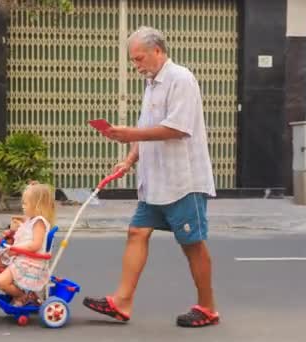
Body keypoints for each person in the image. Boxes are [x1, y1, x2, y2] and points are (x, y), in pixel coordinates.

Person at [82, 26, 220, 328]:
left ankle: (208, 307)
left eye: (139, 58)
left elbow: (178, 128)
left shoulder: (180, 79)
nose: (136, 66)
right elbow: (147, 127)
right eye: (133, 60)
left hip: (183, 181)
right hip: (155, 181)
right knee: (136, 232)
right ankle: (122, 301)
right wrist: (129, 159)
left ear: (158, 50)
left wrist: (129, 134)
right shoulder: (152, 84)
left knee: (192, 243)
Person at [0, 183, 55, 307]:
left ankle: (22, 296)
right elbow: (24, 236)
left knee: (1, 282)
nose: (23, 206)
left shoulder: (39, 223)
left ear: (37, 205)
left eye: (26, 203)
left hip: (29, 262)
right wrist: (12, 232)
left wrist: (16, 249)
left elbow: (35, 244)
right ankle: (12, 286)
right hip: (19, 256)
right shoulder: (30, 220)